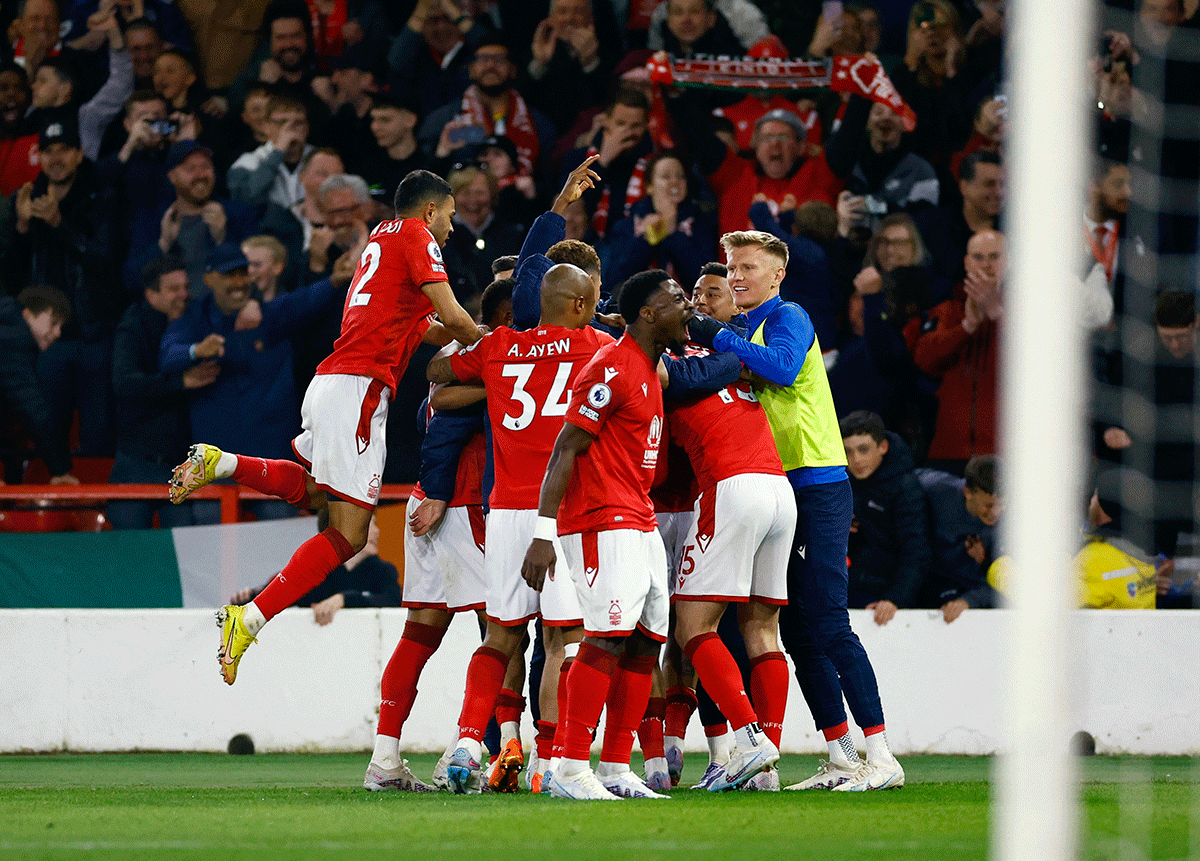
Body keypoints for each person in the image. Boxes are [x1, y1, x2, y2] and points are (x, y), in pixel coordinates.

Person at [169, 169, 481, 686]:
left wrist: (472, 337)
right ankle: (250, 618)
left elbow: (425, 325)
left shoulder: (381, 240)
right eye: (448, 218)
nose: (450, 230)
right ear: (429, 212)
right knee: (348, 534)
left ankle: (221, 462)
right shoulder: (416, 236)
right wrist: (496, 349)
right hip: (359, 393)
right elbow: (449, 310)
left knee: (316, 494)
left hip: (332, 382)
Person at [687, 230, 903, 792]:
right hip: (775, 488)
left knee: (828, 622)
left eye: (749, 267)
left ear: (777, 274)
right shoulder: (735, 331)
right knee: (799, 633)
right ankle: (842, 755)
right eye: (732, 267)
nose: (736, 276)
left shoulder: (789, 317)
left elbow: (782, 369)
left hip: (818, 482)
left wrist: (712, 333)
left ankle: (881, 756)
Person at [428, 264, 616, 795]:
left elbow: (438, 374)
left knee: (501, 633)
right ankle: (551, 760)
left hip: (504, 510)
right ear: (579, 306)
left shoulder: (500, 345)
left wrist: (487, 365)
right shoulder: (596, 346)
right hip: (559, 511)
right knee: (565, 636)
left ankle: (469, 740)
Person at [520, 268, 706, 800]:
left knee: (647, 644)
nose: (687, 306)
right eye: (676, 299)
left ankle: (614, 767)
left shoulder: (651, 367)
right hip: (602, 520)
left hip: (640, 518)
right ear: (648, 314)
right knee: (603, 640)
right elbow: (566, 447)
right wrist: (542, 531)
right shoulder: (612, 368)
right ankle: (570, 768)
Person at [663, 295, 797, 793]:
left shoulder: (662, 369)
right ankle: (766, 768)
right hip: (778, 489)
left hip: (730, 488)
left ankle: (750, 738)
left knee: (692, 627)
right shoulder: (729, 363)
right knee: (763, 629)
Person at [4, 114, 120, 458]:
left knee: (98, 435)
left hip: (92, 333)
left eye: (64, 149)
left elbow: (107, 264)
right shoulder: (26, 198)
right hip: (44, 341)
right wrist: (22, 226)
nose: (56, 158)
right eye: (48, 150)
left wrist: (59, 224)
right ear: (38, 156)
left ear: (80, 153)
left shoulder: (102, 197)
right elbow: (10, 277)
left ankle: (97, 509)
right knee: (45, 427)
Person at [107, 256, 219, 530]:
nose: (184, 295)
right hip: (137, 461)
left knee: (186, 551)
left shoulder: (195, 321)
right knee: (128, 549)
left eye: (185, 287)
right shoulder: (132, 328)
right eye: (173, 289)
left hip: (181, 462)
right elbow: (125, 384)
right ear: (151, 293)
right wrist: (180, 382)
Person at [912, 229, 1005, 471]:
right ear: (966, 262)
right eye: (978, 257)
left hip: (1005, 453)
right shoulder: (948, 309)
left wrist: (998, 314)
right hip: (949, 451)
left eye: (995, 257)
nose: (986, 265)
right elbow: (924, 362)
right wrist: (967, 326)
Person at [839, 411, 929, 624]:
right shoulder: (843, 480)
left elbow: (917, 550)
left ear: (883, 447)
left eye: (863, 449)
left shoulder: (906, 488)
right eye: (848, 452)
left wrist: (894, 598)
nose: (856, 460)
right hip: (851, 586)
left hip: (889, 595)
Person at [232, 510, 402, 623]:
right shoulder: (315, 570)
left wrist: (344, 599)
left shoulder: (383, 571)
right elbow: (282, 592)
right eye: (370, 524)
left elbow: (392, 601)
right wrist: (248, 597)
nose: (377, 531)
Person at [604, 150, 716, 289]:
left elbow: (705, 281)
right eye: (666, 176)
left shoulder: (701, 223)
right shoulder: (626, 227)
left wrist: (672, 232)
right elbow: (615, 282)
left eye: (680, 176)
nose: (675, 181)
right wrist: (646, 239)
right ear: (649, 187)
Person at [0, 285, 75, 484]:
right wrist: (60, 470)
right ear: (27, 315)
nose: (58, 333)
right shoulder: (15, 341)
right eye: (53, 323)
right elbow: (33, 409)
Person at [917, 454, 1002, 621]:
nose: (995, 513)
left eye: (1002, 504)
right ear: (968, 492)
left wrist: (969, 600)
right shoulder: (939, 489)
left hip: (978, 595)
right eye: (988, 505)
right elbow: (896, 481)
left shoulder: (1016, 523)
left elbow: (1019, 587)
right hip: (930, 582)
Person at [913, 150, 1002, 303]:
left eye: (1003, 184)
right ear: (964, 187)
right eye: (989, 184)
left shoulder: (1019, 233)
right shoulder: (928, 226)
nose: (999, 192)